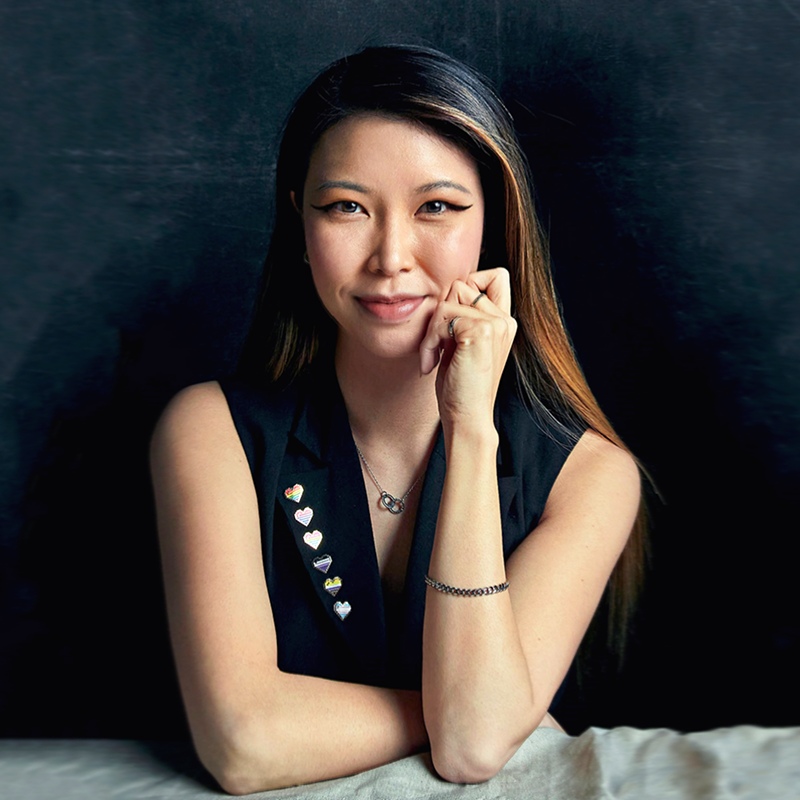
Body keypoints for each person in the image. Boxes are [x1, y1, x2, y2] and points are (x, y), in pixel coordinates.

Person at [149, 45, 644, 794]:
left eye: (436, 207)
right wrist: (486, 714)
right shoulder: (211, 432)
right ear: (300, 222)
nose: (390, 257)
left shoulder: (592, 476)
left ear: (492, 224)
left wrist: (469, 430)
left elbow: (472, 752)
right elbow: (243, 744)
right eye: (346, 207)